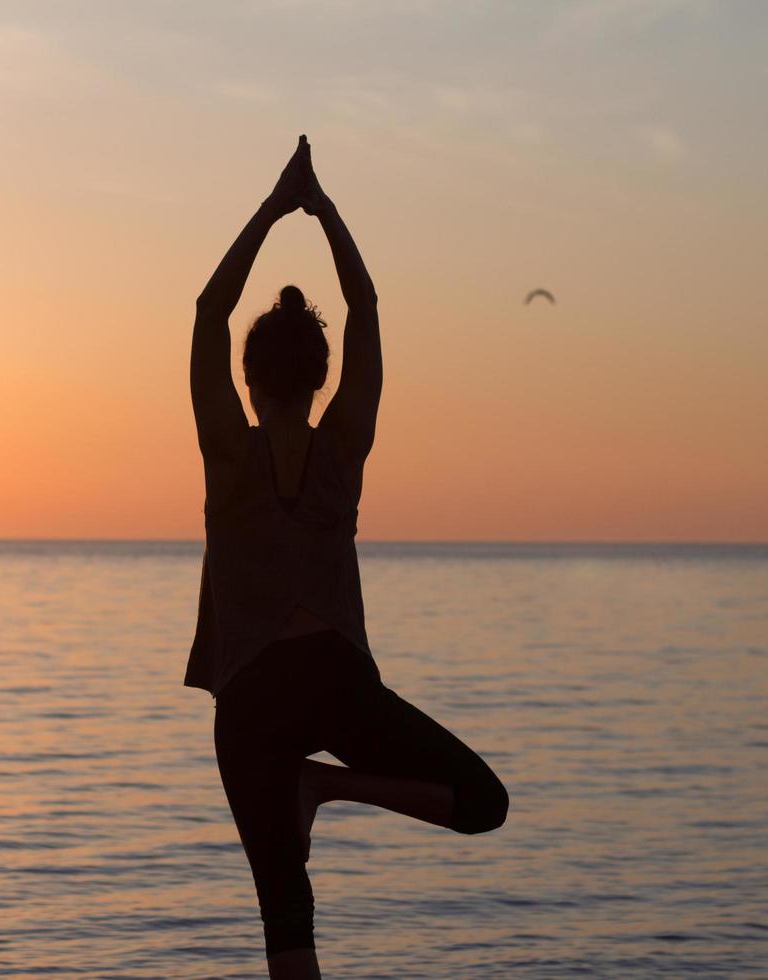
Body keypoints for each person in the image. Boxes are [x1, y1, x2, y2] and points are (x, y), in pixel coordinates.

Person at [186, 135, 508, 980]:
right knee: (482, 804)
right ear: (322, 378)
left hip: (251, 699)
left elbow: (207, 313)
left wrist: (271, 206)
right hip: (334, 682)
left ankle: (318, 788)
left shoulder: (228, 454)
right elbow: (364, 309)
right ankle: (328, 787)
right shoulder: (343, 451)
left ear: (250, 379)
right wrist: (322, 210)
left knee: (287, 927)